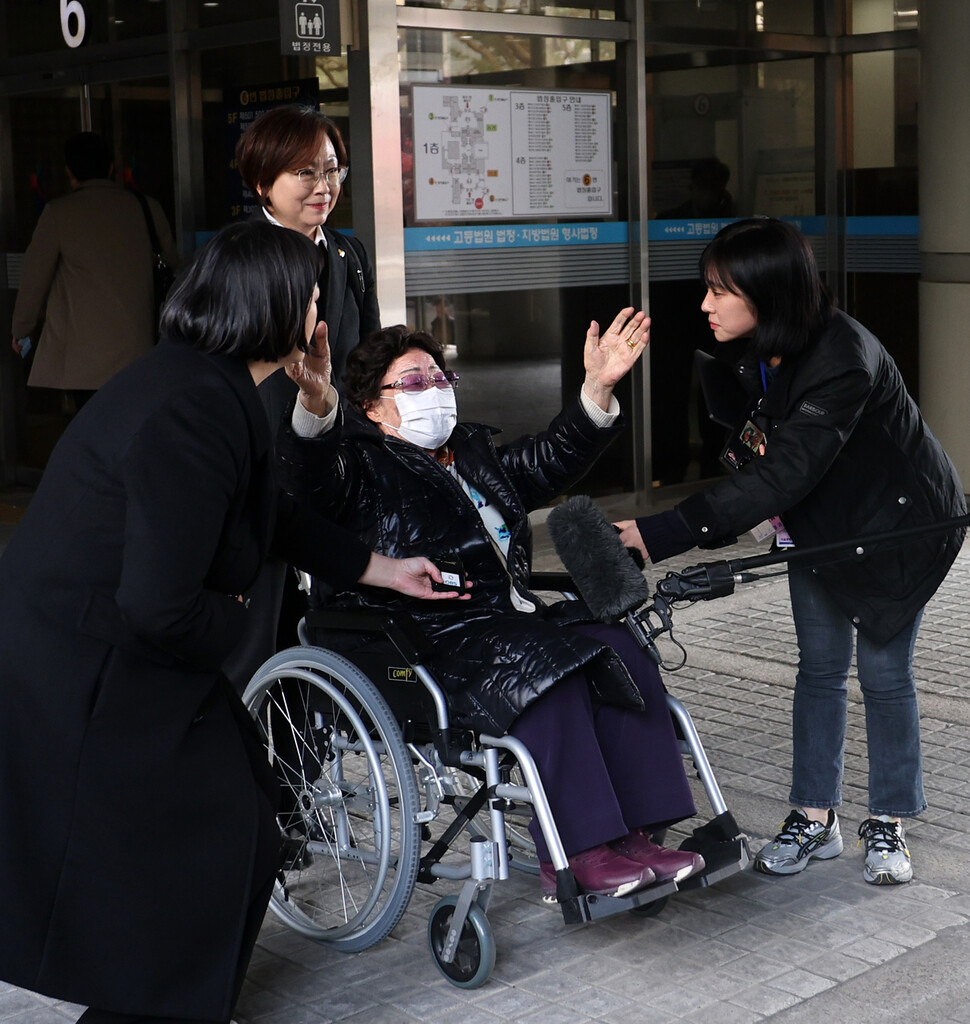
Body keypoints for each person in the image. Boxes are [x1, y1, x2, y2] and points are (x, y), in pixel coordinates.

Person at [0, 220, 468, 1024]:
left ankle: (172, 999)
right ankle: (154, 1005)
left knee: (242, 819)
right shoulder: (190, 408)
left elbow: (270, 513)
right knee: (206, 833)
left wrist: (380, 568)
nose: (323, 309)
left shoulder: (208, 386)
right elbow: (160, 603)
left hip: (120, 649)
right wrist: (242, 618)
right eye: (314, 295)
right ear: (276, 305)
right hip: (89, 664)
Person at [274, 309, 708, 900]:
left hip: (504, 622)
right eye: (412, 382)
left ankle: (637, 833)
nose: (433, 391)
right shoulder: (359, 468)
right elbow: (311, 476)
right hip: (426, 635)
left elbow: (550, 459)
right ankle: (576, 851)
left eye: (438, 378)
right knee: (548, 669)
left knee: (618, 646)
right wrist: (318, 408)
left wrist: (598, 388)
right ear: (372, 407)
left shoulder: (471, 453)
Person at [617, 217, 966, 886]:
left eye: (720, 291)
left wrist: (661, 532)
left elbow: (784, 473)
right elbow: (764, 457)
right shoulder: (769, 349)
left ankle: (889, 822)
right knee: (820, 670)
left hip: (900, 529)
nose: (705, 305)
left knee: (885, 675)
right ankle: (815, 817)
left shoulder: (842, 358)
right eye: (706, 289)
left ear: (767, 292)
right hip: (823, 526)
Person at [229, 103, 381, 683]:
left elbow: (367, 355)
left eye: (333, 169)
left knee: (328, 627)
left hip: (332, 458)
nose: (325, 186)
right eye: (306, 173)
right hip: (259, 463)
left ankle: (309, 762)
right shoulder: (239, 256)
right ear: (263, 182)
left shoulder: (348, 253)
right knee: (259, 633)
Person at [10, 131, 177, 410]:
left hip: (82, 363)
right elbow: (172, 264)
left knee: (90, 436)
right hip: (142, 350)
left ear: (69, 171)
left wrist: (21, 329)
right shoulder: (147, 207)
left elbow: (34, 279)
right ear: (110, 167)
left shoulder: (58, 213)